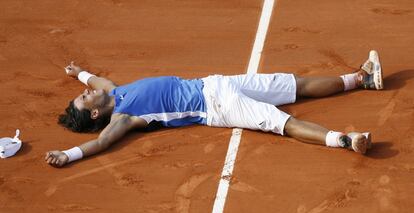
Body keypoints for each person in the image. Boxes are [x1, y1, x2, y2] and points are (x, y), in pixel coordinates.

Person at [45, 50, 383, 167]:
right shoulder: (123, 118)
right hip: (218, 106)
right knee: (283, 122)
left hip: (217, 83)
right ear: (93, 113)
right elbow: (102, 143)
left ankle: (359, 80)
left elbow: (98, 80)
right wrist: (70, 154)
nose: (88, 92)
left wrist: (79, 74)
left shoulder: (113, 92)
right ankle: (345, 140)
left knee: (295, 84)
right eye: (84, 98)